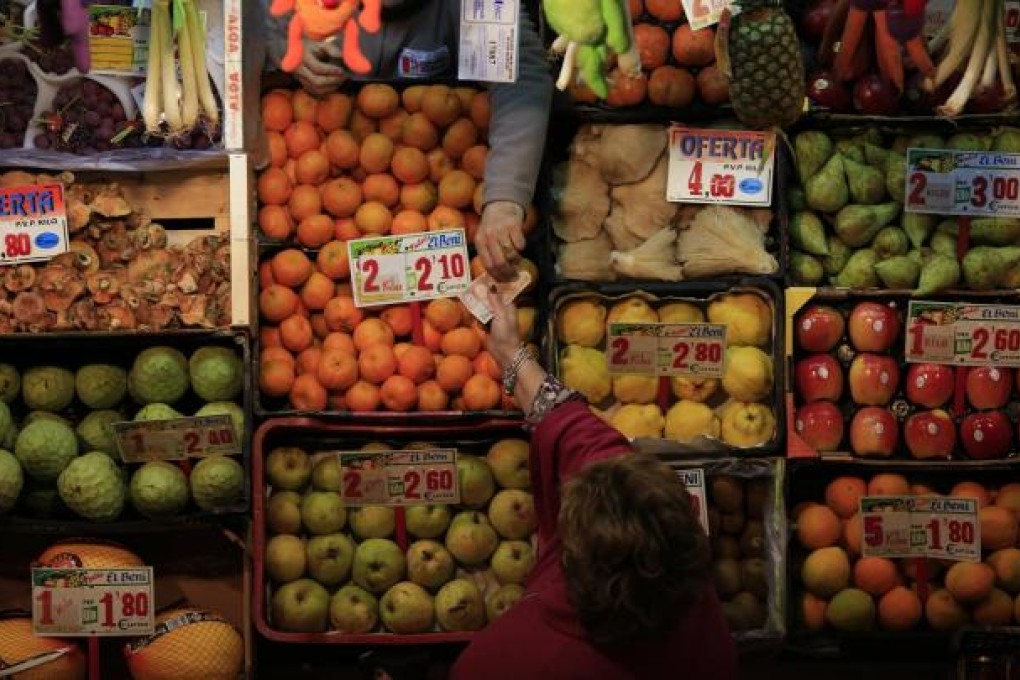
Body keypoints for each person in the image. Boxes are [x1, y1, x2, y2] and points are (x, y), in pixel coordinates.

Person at [449, 288, 739, 679]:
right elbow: (573, 427)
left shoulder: (501, 660)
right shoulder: (696, 616)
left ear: (572, 555)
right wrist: (510, 353)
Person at [265, 0, 552, 281]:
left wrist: (505, 198)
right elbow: (242, 23)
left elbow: (521, 76)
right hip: (316, 133)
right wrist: (279, 45)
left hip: (436, 151)